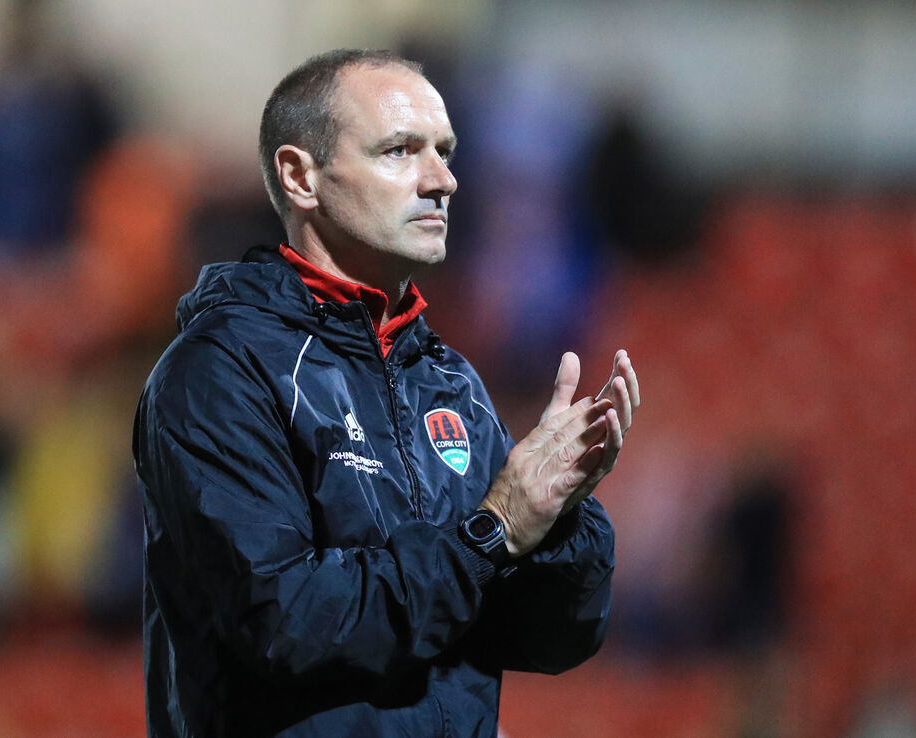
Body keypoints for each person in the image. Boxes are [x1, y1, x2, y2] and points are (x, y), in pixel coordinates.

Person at [133, 49, 640, 738]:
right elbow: (288, 622)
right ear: (300, 176)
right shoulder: (220, 372)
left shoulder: (449, 383)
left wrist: (561, 518)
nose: (444, 180)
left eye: (446, 151)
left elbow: (549, 641)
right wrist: (491, 531)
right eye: (401, 150)